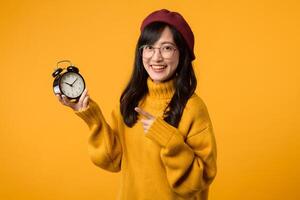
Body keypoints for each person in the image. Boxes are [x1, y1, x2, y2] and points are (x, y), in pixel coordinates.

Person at [56, 9, 217, 200]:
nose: (156, 57)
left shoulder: (193, 108)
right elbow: (112, 161)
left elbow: (198, 181)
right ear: (140, 52)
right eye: (149, 47)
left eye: (167, 48)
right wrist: (92, 116)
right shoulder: (131, 100)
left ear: (182, 54)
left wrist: (168, 139)